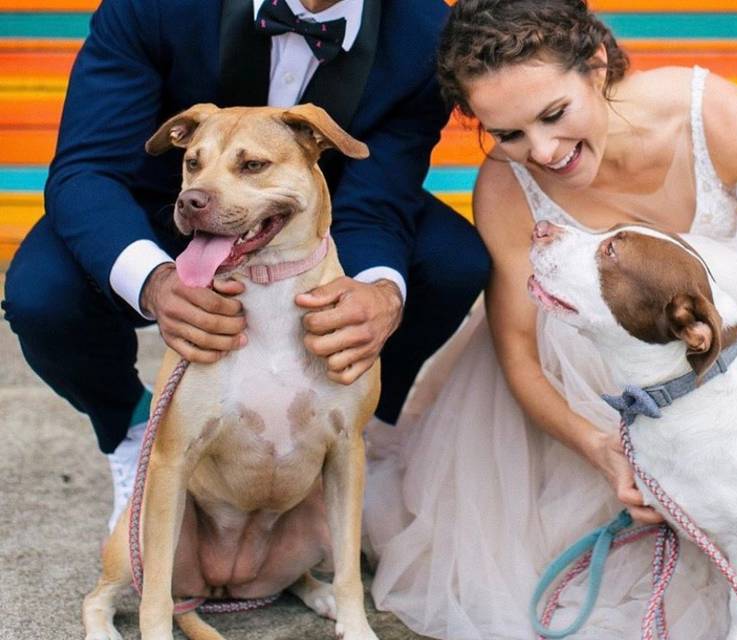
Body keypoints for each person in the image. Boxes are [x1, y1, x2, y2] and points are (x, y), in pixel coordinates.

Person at [363, 1, 737, 638]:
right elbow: (518, 355)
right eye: (506, 134)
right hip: (593, 388)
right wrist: (598, 447)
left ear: (596, 65)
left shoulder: (709, 112)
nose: (540, 150)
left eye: (554, 114)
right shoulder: (507, 189)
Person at [0, 0, 489, 531]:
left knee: (451, 261)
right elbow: (87, 167)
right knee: (42, 294)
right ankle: (133, 429)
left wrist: (379, 295)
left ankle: (353, 436)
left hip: (319, 213)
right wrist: (155, 280)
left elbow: (380, 198)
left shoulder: (425, 33)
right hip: (166, 202)